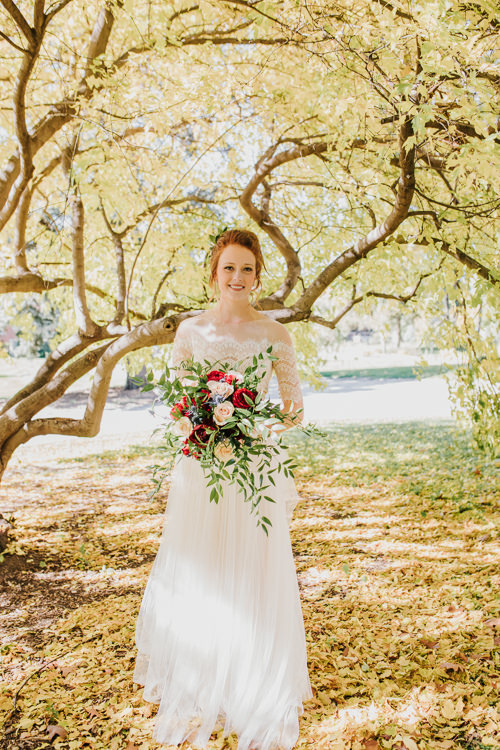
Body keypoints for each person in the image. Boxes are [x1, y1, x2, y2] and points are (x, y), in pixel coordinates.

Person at [133, 229, 312, 750]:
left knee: (255, 565)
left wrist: (251, 426)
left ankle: (253, 677)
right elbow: (177, 404)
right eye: (228, 268)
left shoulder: (276, 334)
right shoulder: (189, 332)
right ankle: (203, 671)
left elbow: (295, 411)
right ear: (213, 273)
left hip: (254, 468)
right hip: (202, 469)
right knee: (204, 564)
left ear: (259, 276)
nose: (237, 278)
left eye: (247, 269)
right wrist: (205, 423)